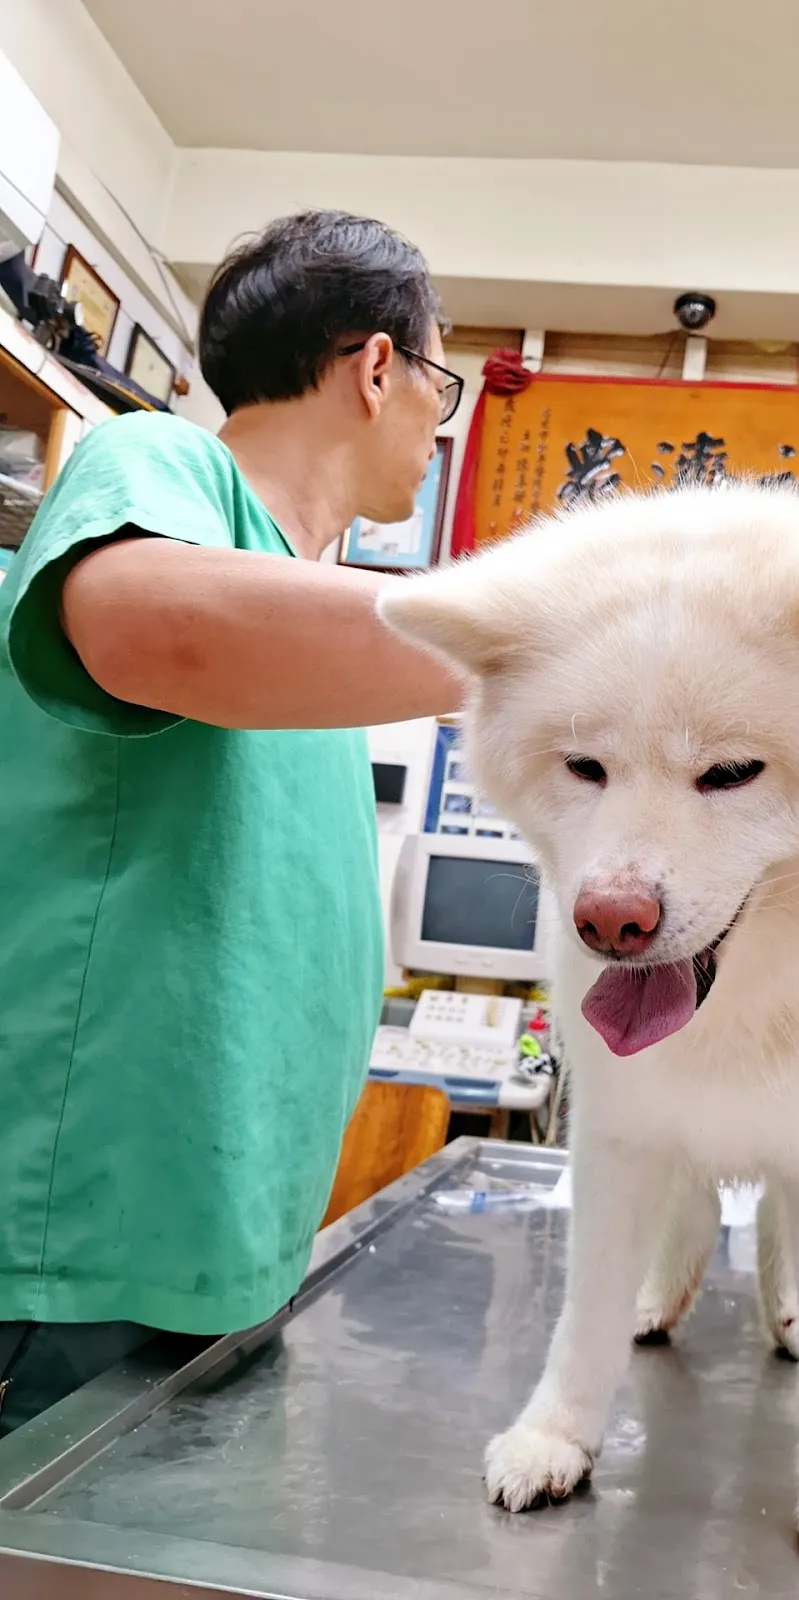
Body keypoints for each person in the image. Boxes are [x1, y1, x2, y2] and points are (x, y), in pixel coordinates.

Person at [0, 211, 464, 1433]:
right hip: (80, 1252)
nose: (436, 420)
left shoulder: (296, 624)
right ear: (377, 368)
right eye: (439, 381)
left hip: (216, 1245)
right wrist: (536, 632)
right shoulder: (159, 459)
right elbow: (152, 626)